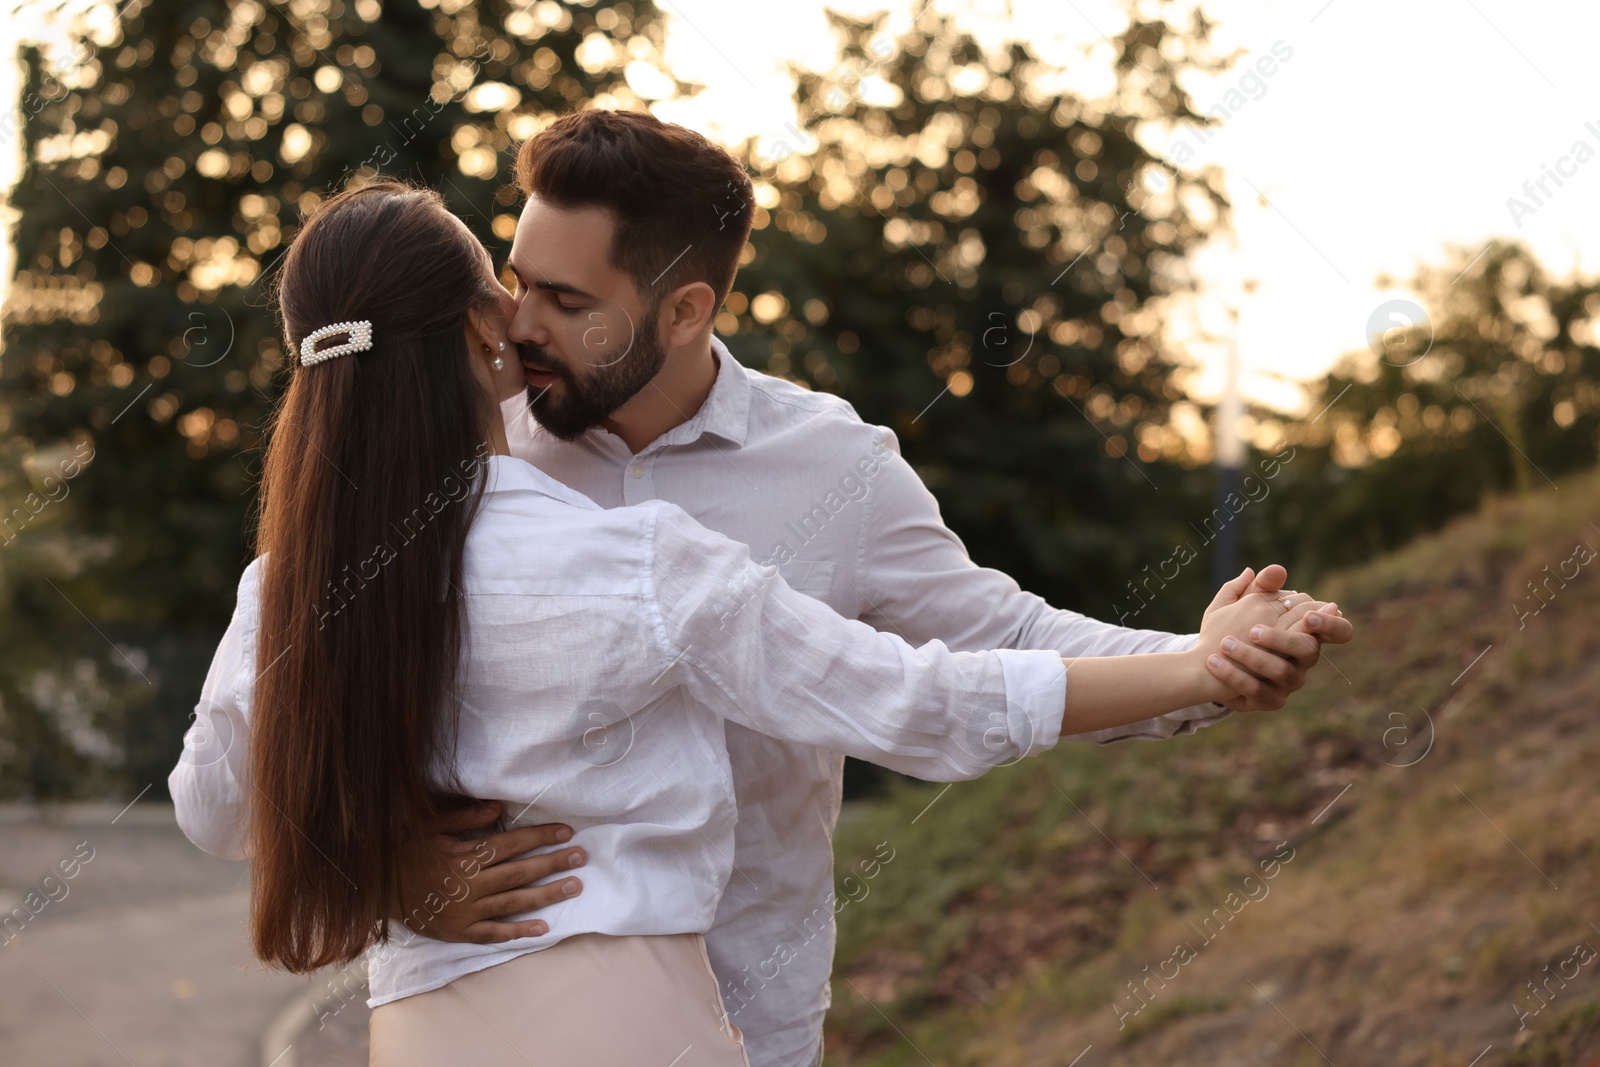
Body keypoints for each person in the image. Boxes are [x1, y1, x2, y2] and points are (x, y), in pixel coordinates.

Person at [168, 180, 1331, 1066]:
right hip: (634, 1017)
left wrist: (370, 855)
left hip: (431, 1028)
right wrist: (1194, 670)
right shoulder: (635, 559)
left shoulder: (288, 581)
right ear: (485, 324)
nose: (532, 320)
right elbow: (915, 700)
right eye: (519, 293)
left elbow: (213, 809)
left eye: (564, 298)